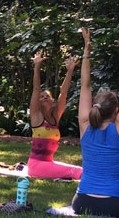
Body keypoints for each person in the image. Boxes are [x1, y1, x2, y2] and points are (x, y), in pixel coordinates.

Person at [71, 26, 119, 217]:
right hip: (117, 205)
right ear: (116, 111)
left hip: (82, 202)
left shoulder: (85, 124)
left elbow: (85, 85)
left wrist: (87, 50)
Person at [27, 51, 83, 180]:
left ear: (52, 101)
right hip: (36, 166)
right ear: (38, 102)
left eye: (47, 96)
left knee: (80, 170)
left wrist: (70, 71)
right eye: (42, 97)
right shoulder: (36, 117)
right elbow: (36, 89)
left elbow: (63, 93)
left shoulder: (55, 117)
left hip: (48, 163)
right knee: (78, 173)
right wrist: (37, 66)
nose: (45, 97)